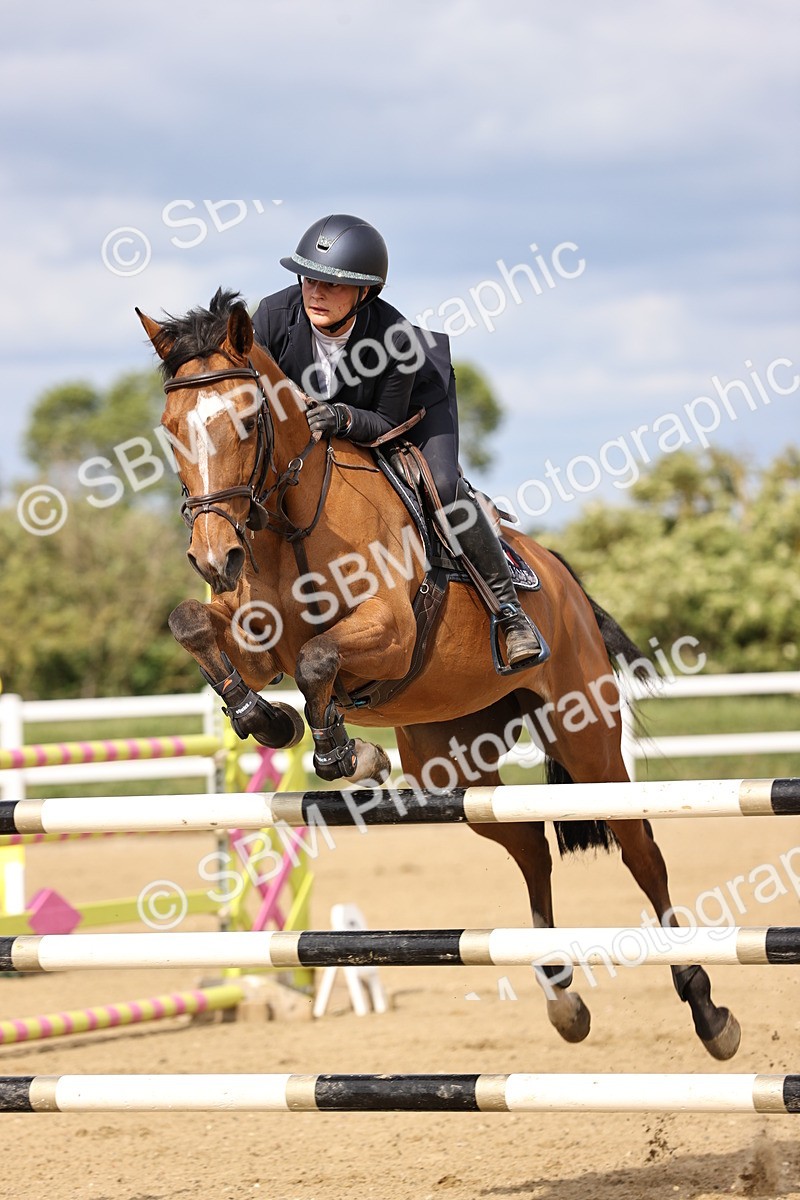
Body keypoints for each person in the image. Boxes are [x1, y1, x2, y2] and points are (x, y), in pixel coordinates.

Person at [251, 213, 544, 669]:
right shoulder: (271, 316)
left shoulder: (395, 339)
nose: (316, 292)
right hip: (321, 423)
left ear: (364, 292)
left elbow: (386, 421)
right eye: (309, 279)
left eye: (333, 284)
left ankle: (510, 613)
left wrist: (342, 416)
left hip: (411, 410)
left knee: (444, 484)